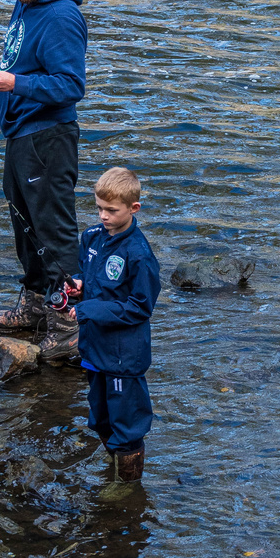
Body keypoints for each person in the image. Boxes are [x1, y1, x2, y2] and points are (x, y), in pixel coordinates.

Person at [0, 0, 87, 362]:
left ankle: (67, 323)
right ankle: (37, 303)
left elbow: (71, 86)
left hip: (48, 140)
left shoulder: (61, 18)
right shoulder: (27, 3)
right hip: (20, 135)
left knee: (52, 230)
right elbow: (20, 61)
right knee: (24, 223)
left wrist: (13, 83)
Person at [67, 167, 160, 482]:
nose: (103, 216)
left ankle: (128, 487)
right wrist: (79, 287)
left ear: (133, 208)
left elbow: (140, 308)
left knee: (127, 423)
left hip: (124, 355)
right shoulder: (91, 237)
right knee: (101, 418)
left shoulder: (139, 256)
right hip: (95, 348)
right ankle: (115, 470)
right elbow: (91, 277)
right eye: (98, 208)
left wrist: (90, 308)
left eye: (111, 210)